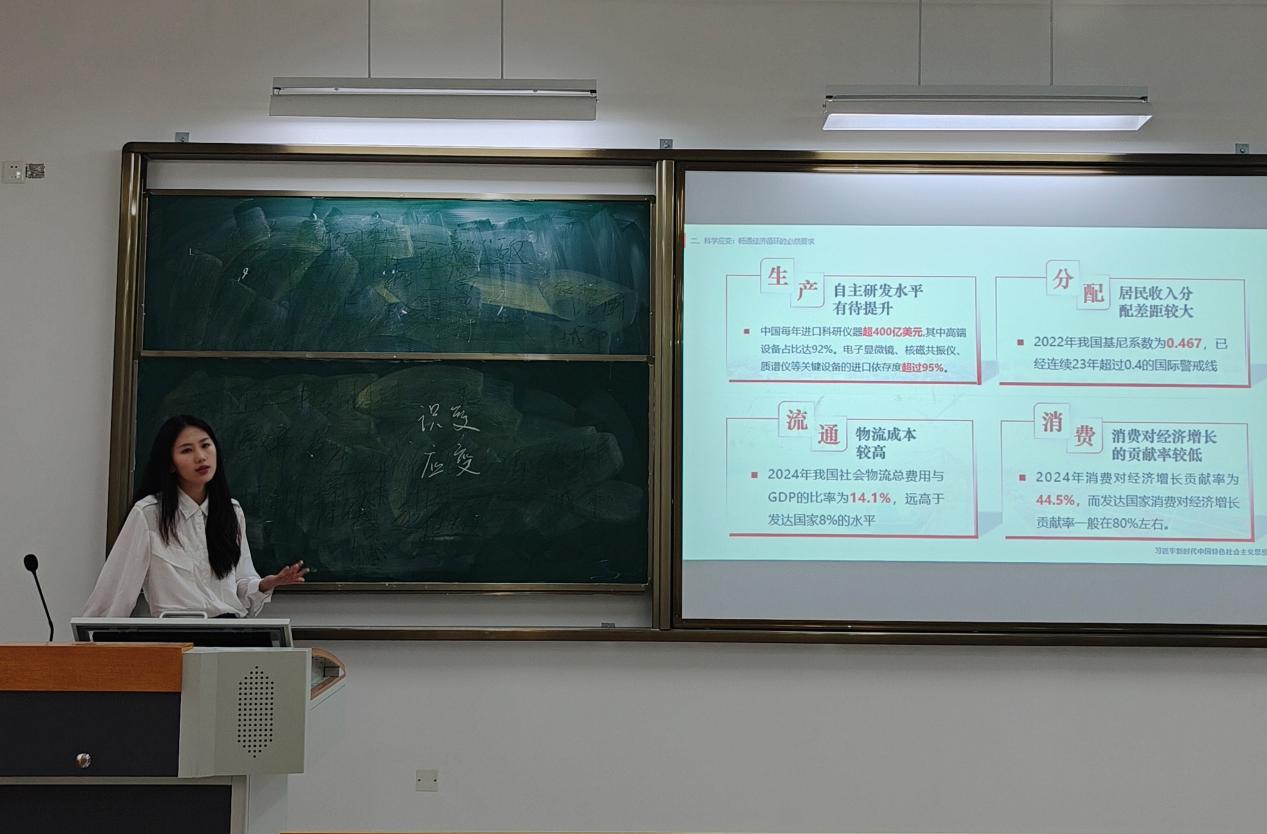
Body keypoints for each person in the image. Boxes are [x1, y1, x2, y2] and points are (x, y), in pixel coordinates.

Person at [83, 415, 307, 618]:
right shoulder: (148, 513)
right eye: (186, 450)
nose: (200, 457)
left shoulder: (231, 511)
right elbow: (115, 591)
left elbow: (239, 583)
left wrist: (266, 584)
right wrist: (91, 641)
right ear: (170, 463)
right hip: (175, 635)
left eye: (205, 445)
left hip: (230, 632)